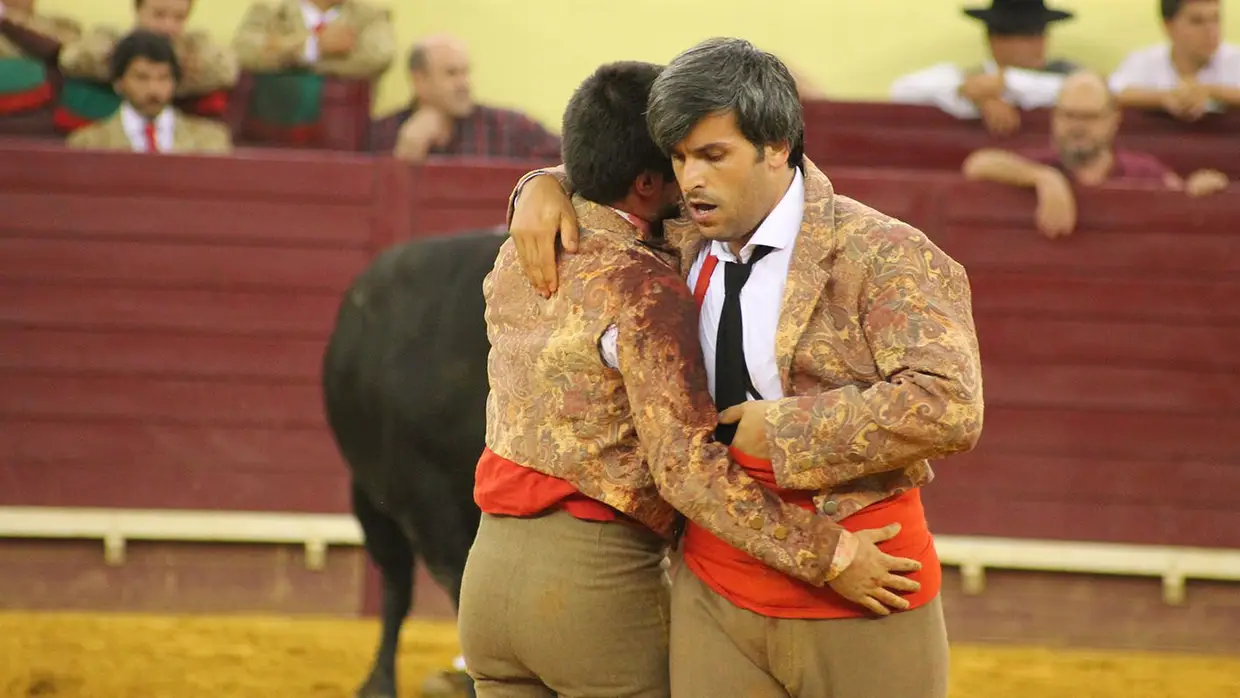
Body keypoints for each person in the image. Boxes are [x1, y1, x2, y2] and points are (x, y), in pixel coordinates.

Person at [506, 37, 983, 698]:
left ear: (777, 146)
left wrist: (783, 431)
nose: (691, 178)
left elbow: (950, 405)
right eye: (678, 158)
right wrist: (542, 184)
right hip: (717, 582)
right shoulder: (679, 233)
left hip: (868, 575)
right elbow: (608, 177)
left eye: (713, 155)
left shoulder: (884, 252)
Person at [963, 70, 1229, 237]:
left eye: (1089, 117)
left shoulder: (1144, 171)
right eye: (1069, 115)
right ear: (1054, 118)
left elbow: (1181, 197)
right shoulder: (1039, 164)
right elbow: (978, 164)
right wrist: (1044, 178)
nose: (1077, 127)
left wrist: (1201, 189)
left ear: (1113, 120)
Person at [889, 0, 1078, 135]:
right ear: (995, 40)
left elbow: (1084, 91)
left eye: (1040, 34)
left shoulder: (1068, 77)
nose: (1039, 44)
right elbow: (902, 89)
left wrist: (1003, 83)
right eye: (1026, 35)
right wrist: (965, 90)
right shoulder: (968, 79)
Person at [368, 35, 562, 162]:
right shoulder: (384, 132)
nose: (464, 84)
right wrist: (404, 157)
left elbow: (572, 161)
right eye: (451, 73)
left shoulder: (509, 127)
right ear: (420, 80)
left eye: (466, 72)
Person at [65, 29, 231, 154]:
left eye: (163, 78)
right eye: (142, 78)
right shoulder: (87, 144)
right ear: (119, 82)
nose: (154, 89)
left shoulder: (211, 142)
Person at [1109, 0, 1240, 120]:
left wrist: (1211, 92)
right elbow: (1110, 96)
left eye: (1215, 19)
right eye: (1197, 21)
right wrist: (1165, 98)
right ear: (1169, 26)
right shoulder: (1143, 60)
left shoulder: (1236, 59)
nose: (1211, 30)